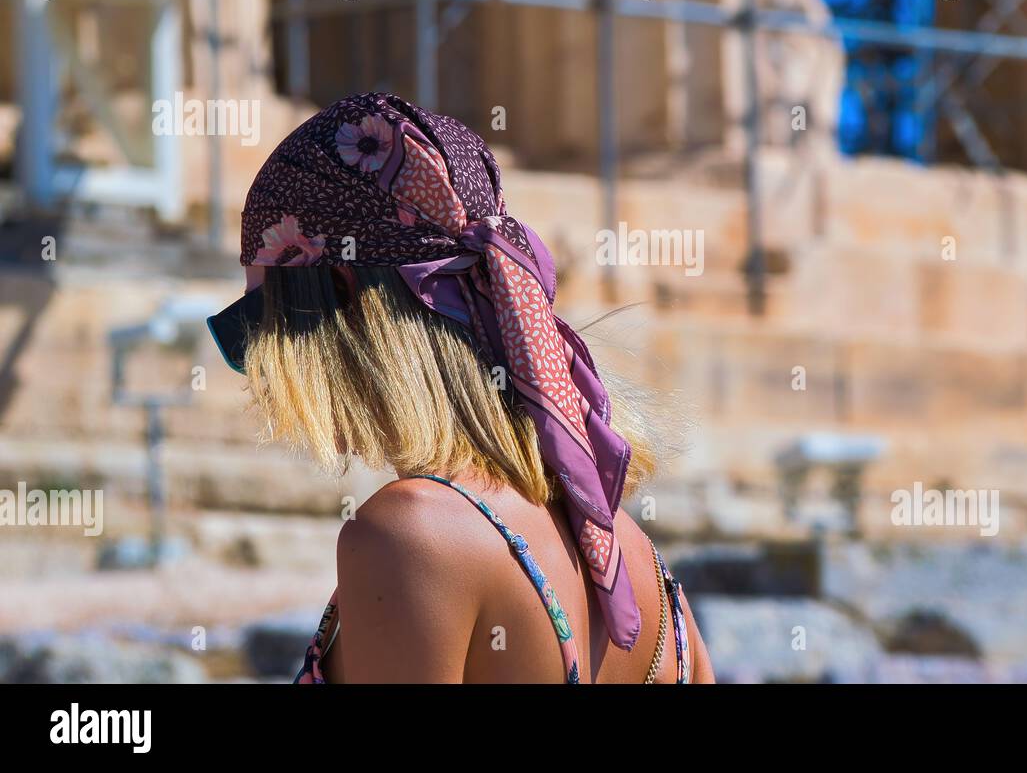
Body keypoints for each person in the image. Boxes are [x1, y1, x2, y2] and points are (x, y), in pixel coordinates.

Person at [206, 93, 713, 683]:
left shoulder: (410, 535)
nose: (260, 372)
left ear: (340, 300)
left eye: (257, 324)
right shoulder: (642, 566)